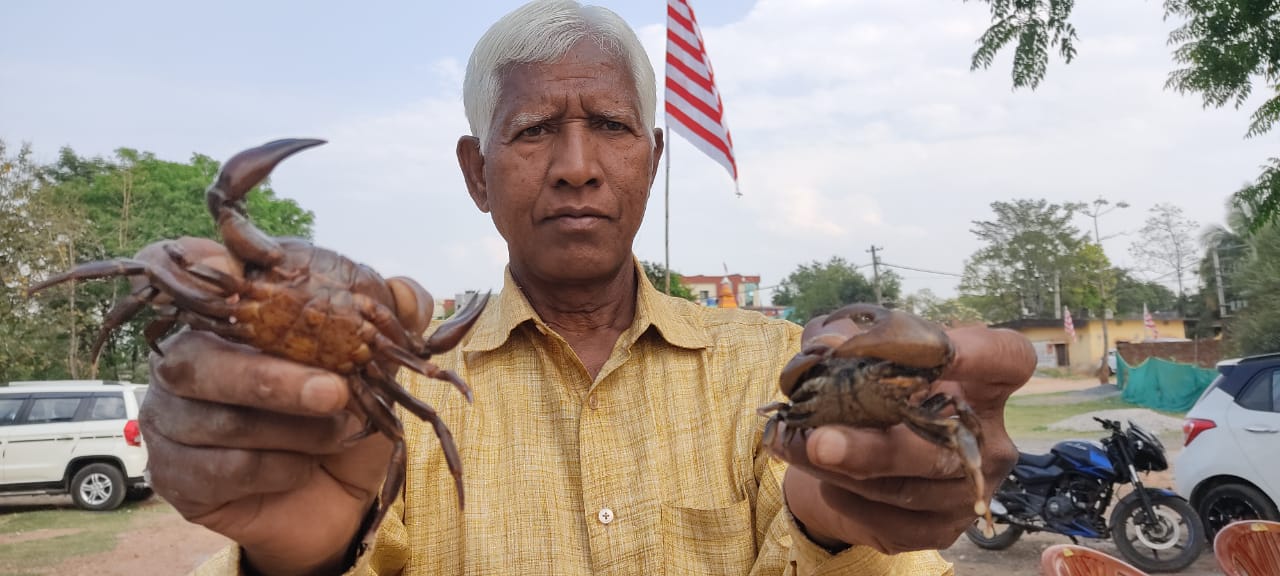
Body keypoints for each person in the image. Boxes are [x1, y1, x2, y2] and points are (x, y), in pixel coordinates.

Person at [141, 1, 1036, 574]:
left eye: (610, 126)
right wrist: (296, 558)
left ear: (650, 159)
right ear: (475, 173)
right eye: (533, 132)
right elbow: (307, 533)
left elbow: (844, 515)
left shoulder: (778, 367)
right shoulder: (389, 389)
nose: (577, 168)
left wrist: (847, 520)